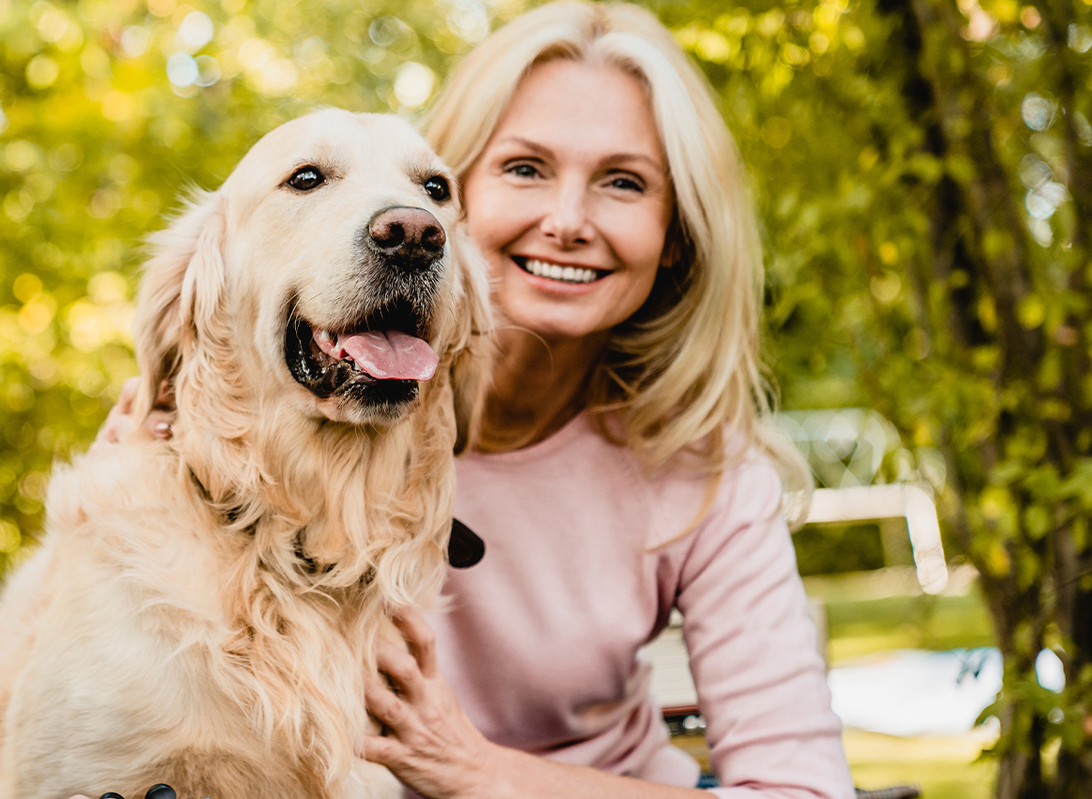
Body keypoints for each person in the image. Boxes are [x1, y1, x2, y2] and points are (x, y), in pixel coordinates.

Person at [94, 2, 854, 797]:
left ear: (676, 237)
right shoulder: (262, 427)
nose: (566, 221)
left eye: (624, 183)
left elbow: (800, 791)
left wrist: (475, 771)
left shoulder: (709, 476)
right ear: (458, 210)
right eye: (524, 168)